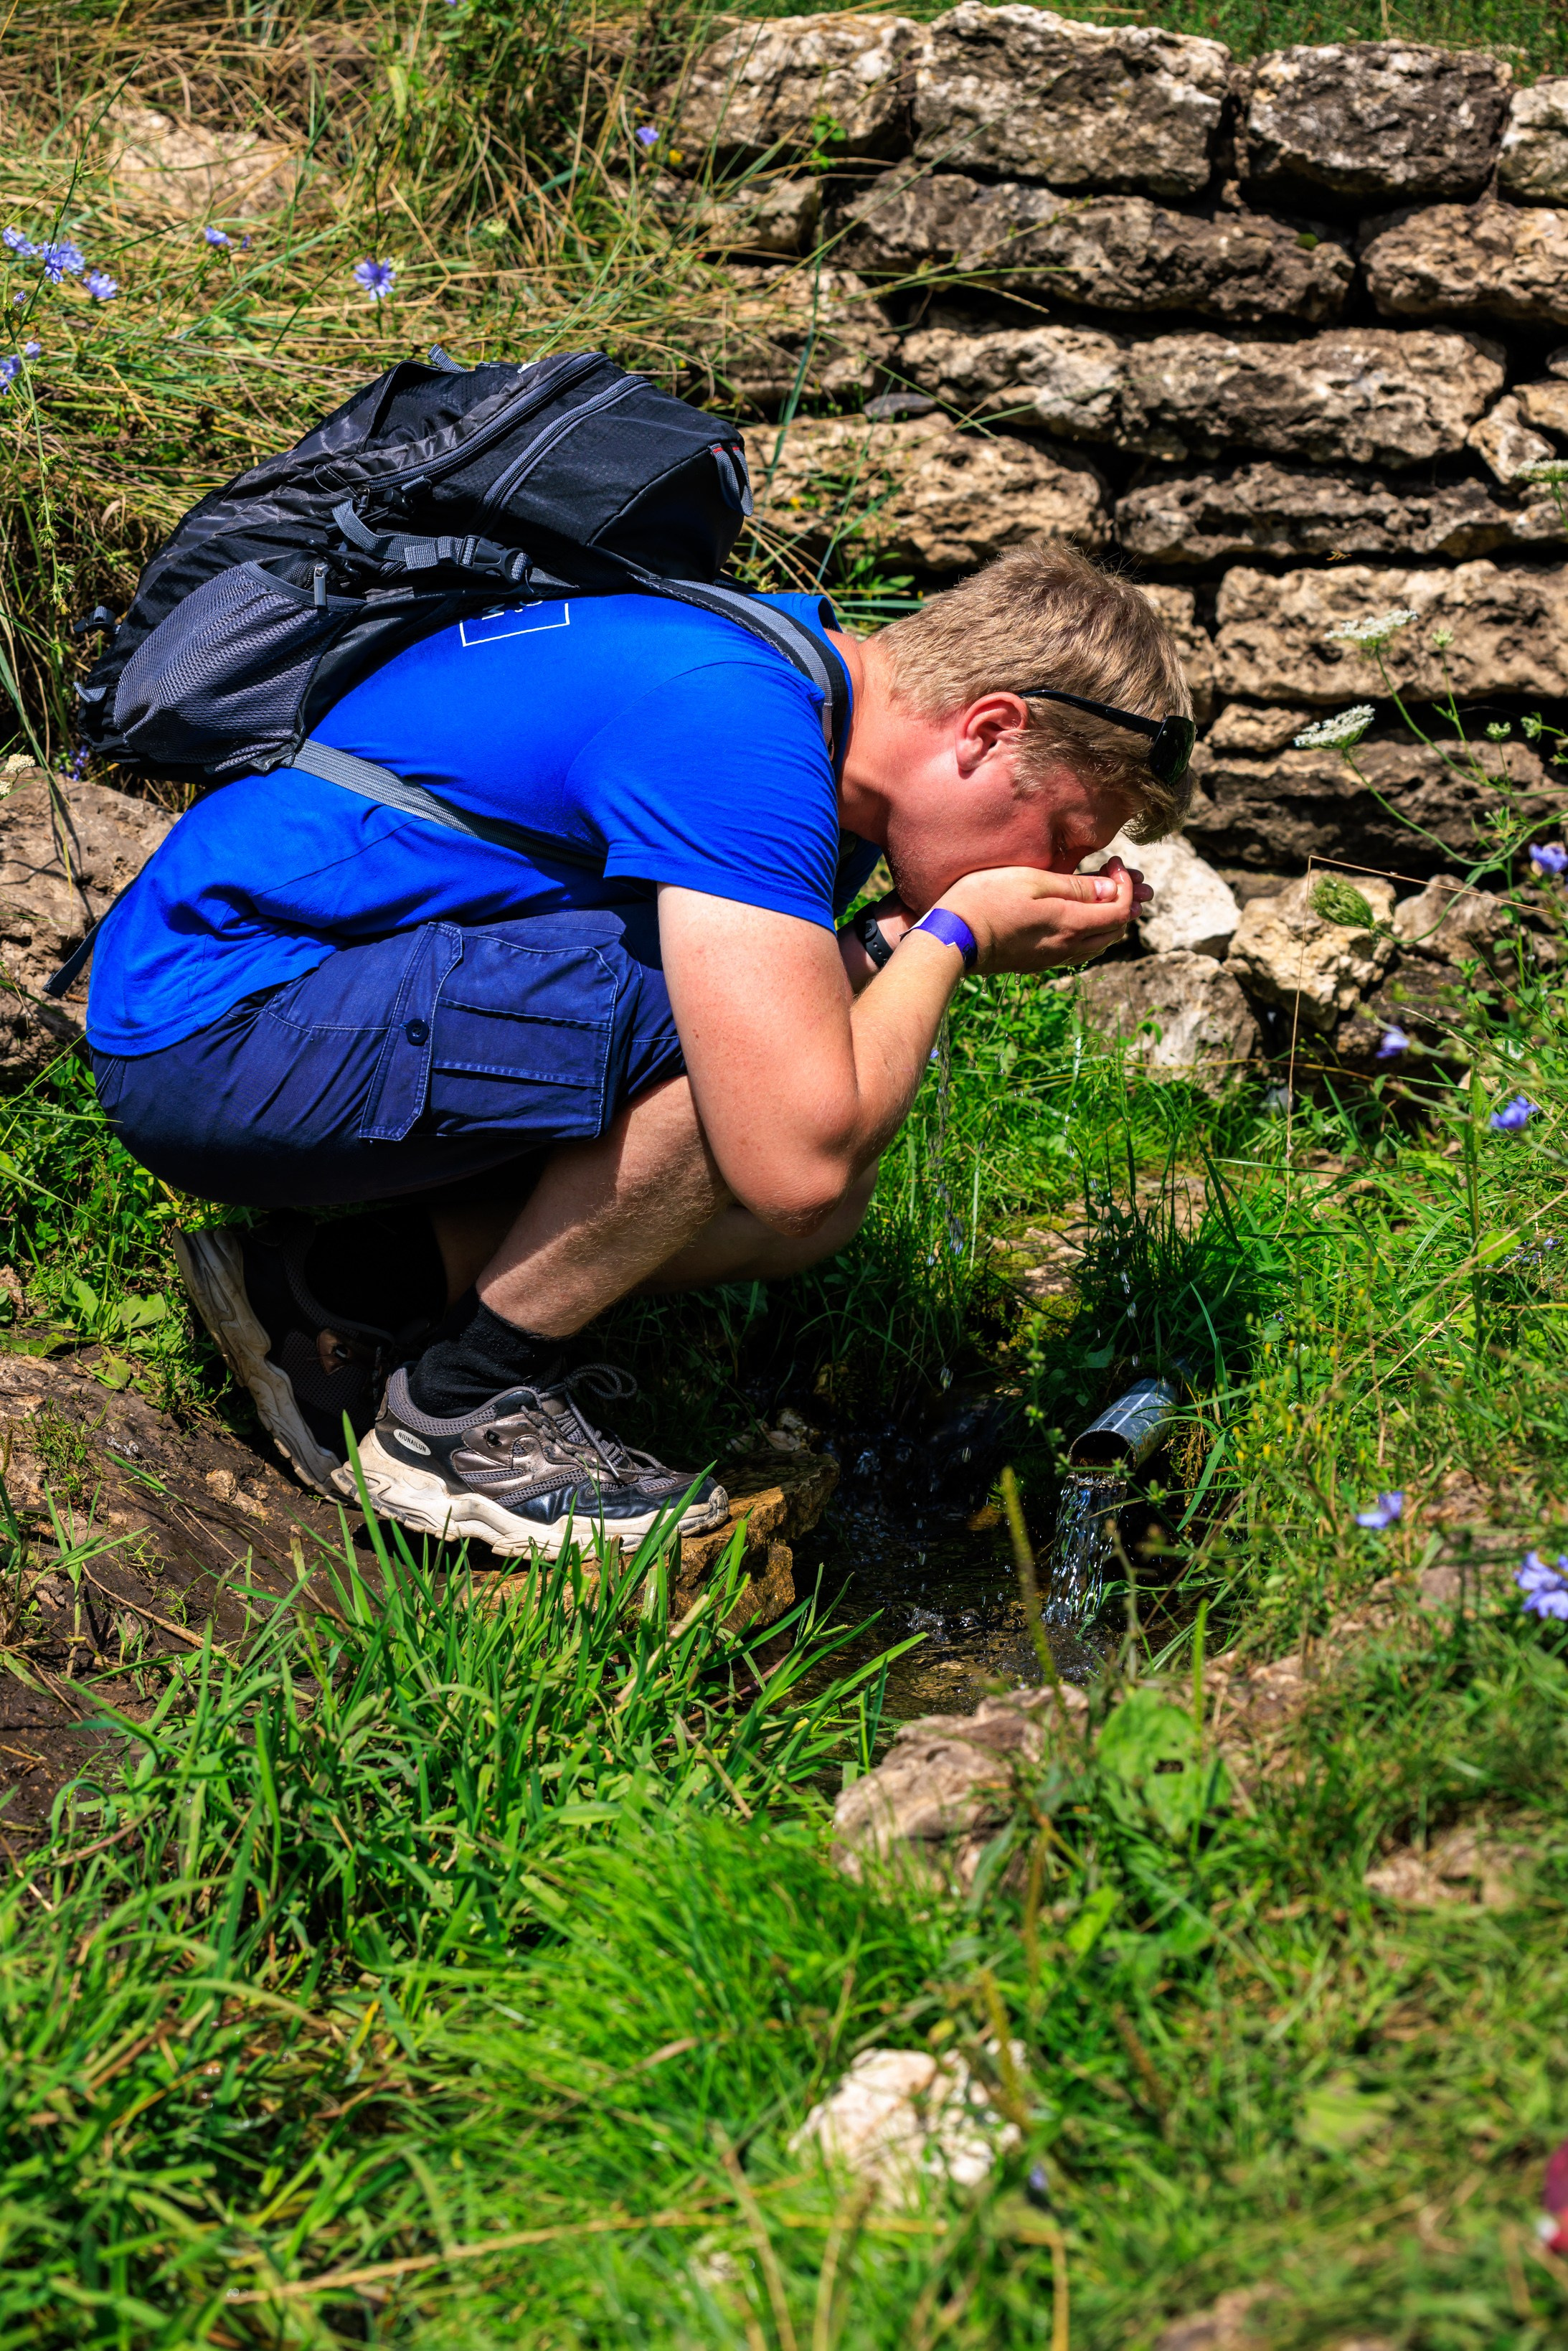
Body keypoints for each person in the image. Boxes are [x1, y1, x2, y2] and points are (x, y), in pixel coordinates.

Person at [85, 542, 1192, 1558]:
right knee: (777, 1089)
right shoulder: (740, 724)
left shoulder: (797, 682)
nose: (1049, 868)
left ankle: (332, 1291)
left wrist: (896, 946)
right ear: (989, 731)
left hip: (280, 1011)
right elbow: (790, 1152)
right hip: (226, 1024)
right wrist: (952, 935)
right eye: (1060, 836)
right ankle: (458, 1414)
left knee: (815, 1163)